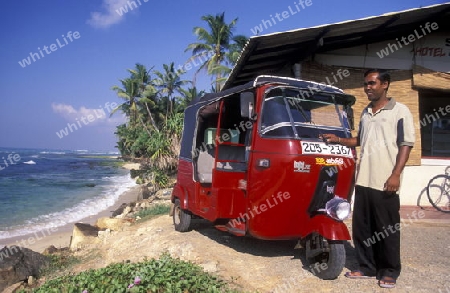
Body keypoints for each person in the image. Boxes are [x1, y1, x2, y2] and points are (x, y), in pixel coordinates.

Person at [321, 69, 415, 289]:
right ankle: (367, 266)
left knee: (387, 229)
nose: (367, 88)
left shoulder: (400, 111)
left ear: (385, 84)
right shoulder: (365, 112)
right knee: (363, 228)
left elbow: (406, 144)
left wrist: (396, 174)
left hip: (386, 182)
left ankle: (389, 270)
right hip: (363, 181)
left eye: (372, 83)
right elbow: (359, 140)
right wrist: (337, 139)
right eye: (365, 84)